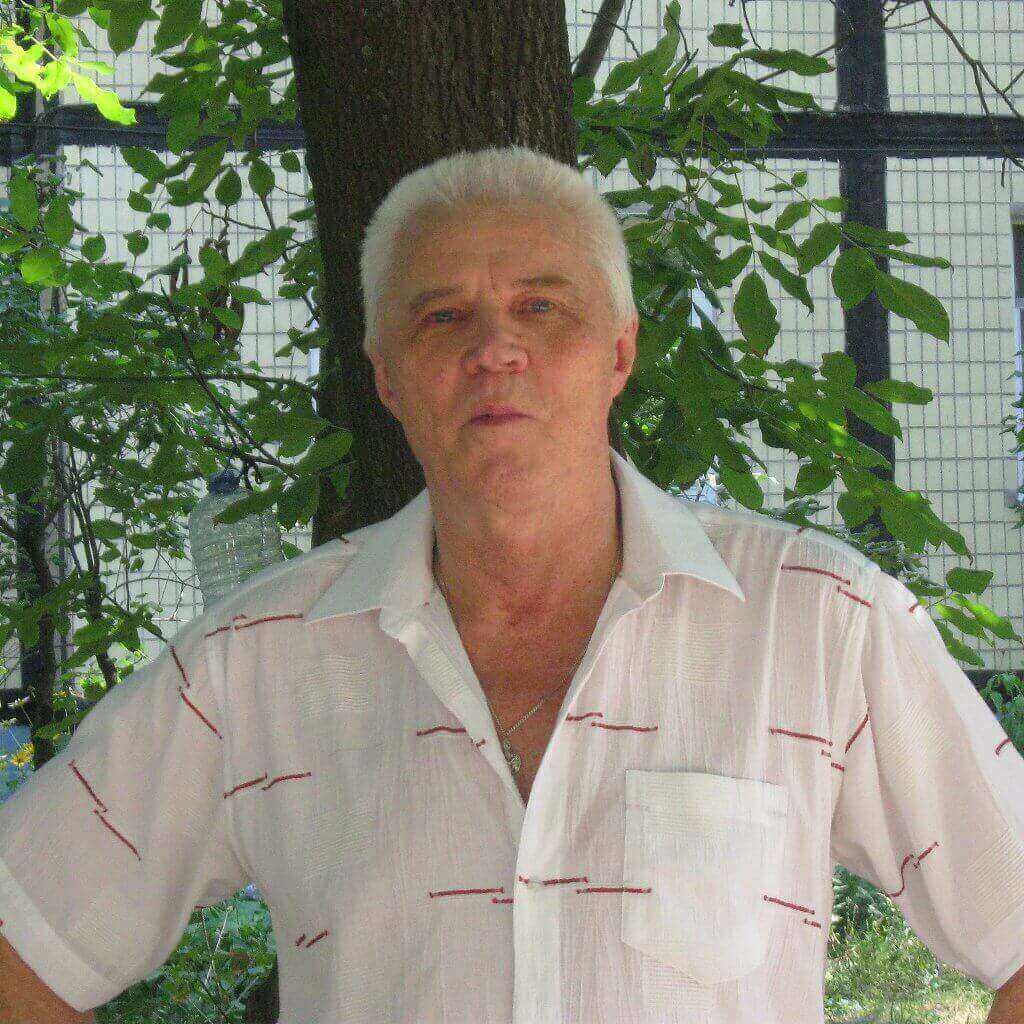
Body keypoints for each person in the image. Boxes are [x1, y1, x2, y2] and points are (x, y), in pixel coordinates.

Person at [2, 144, 1024, 1024]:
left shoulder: (821, 622)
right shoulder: (250, 666)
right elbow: (20, 947)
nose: (495, 348)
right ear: (386, 375)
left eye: (542, 305)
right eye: (441, 316)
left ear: (619, 351)